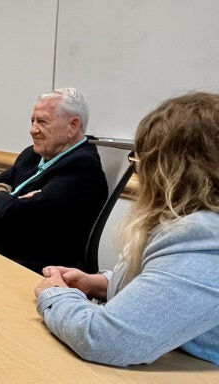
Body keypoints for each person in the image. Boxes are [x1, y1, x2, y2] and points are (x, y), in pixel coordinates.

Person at [34, 92, 219, 367]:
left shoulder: (202, 237)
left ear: (171, 169)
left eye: (140, 160)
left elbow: (103, 339)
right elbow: (172, 281)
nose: (138, 171)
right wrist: (102, 284)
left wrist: (56, 294)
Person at [0, 88, 107, 273]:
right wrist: (3, 197)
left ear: (73, 125)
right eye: (32, 121)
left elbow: (19, 215)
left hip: (26, 266)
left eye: (42, 122)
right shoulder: (31, 155)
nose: (33, 130)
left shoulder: (83, 169)